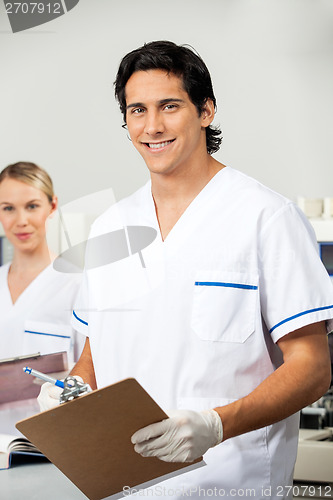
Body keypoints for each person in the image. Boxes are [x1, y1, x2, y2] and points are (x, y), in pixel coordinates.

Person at [39, 41, 333, 499]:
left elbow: (313, 368)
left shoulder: (266, 218)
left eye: (169, 106)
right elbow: (94, 356)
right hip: (122, 486)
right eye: (137, 110)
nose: (152, 126)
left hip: (230, 485)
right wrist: (69, 391)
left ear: (206, 111)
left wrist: (218, 425)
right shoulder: (111, 227)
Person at [0, 161, 83, 364]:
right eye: (8, 208)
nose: (21, 221)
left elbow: (89, 375)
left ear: (52, 206)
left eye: (32, 206)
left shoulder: (77, 285)